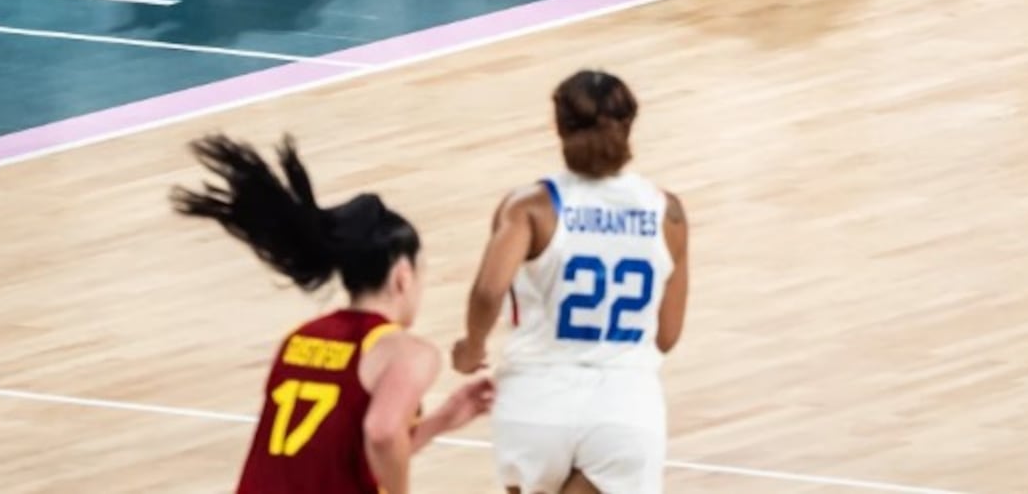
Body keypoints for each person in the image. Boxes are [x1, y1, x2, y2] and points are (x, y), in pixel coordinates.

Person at [174, 134, 496, 492]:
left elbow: (345, 460)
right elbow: (383, 433)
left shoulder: (300, 339)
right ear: (402, 277)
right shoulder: (407, 353)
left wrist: (443, 419)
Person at [457, 72, 687, 494]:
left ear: (559, 126)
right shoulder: (667, 211)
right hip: (625, 404)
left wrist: (471, 348)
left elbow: (489, 291)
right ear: (628, 125)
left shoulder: (529, 207)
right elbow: (667, 335)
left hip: (536, 399)